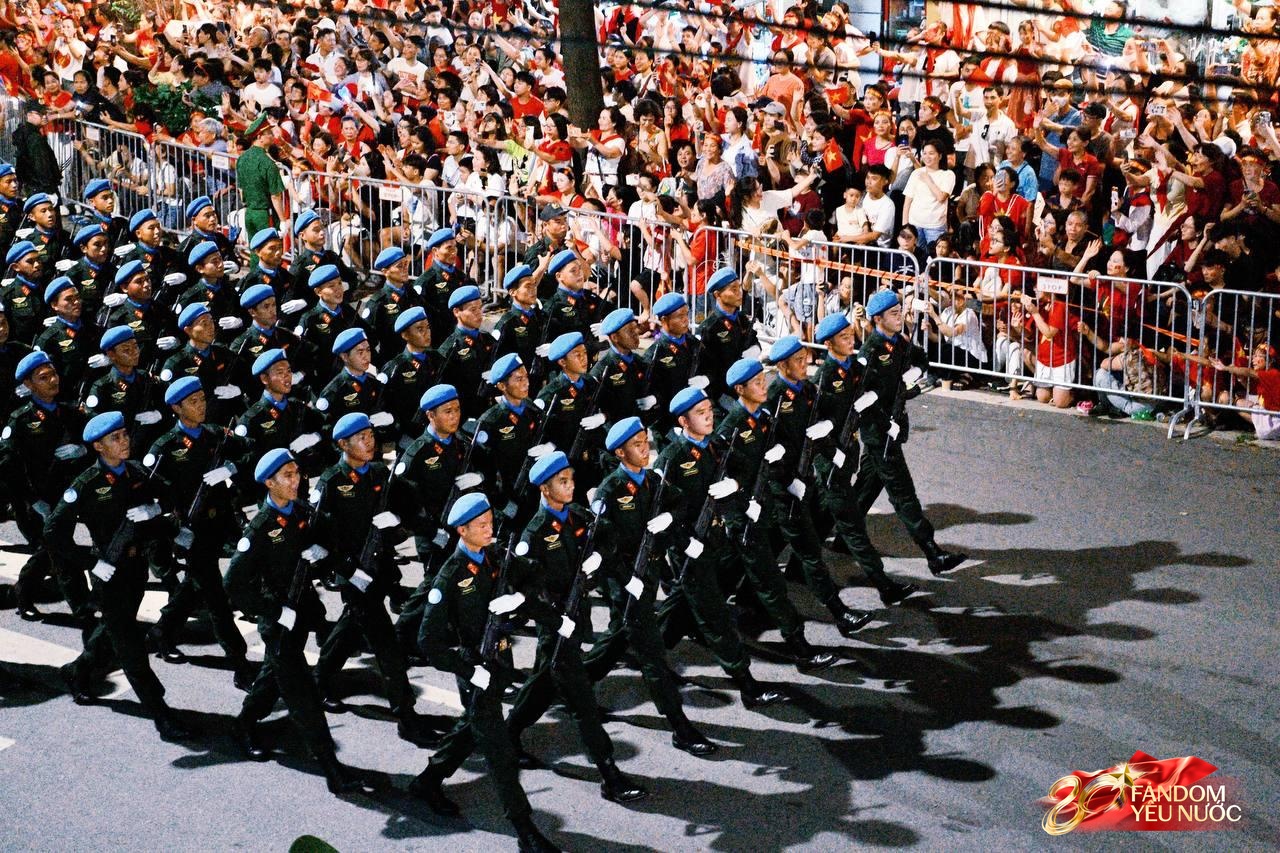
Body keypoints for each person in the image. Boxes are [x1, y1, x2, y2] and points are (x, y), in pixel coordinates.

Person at [405, 493, 560, 853]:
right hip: (475, 670)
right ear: (462, 530)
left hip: (500, 663)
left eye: (490, 521)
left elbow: (535, 572)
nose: (490, 529)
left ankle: (427, 781)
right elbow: (428, 641)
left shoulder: (496, 556)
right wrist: (468, 671)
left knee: (471, 729)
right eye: (481, 525)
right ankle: (525, 831)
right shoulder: (450, 576)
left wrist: (519, 598)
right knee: (500, 753)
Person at [45, 411, 195, 741]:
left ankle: (77, 671)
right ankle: (162, 715)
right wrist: (90, 563)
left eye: (125, 434)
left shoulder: (136, 471)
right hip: (109, 573)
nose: (124, 441)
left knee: (114, 630)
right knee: (130, 647)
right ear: (98, 446)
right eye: (115, 438)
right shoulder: (85, 485)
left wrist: (157, 509)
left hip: (136, 571)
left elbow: (172, 493)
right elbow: (53, 533)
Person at [224, 448, 365, 794]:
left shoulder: (302, 512)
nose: (296, 480)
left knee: (273, 675)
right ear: (269, 483)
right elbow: (234, 584)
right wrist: (273, 612)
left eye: (297, 473)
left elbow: (326, 540)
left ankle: (243, 723)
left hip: (301, 613)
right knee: (303, 694)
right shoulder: (259, 529)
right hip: (279, 622)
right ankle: (333, 770)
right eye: (287, 475)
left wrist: (326, 555)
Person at [310, 412, 447, 745]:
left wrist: (429, 530)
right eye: (361, 438)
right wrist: (347, 572)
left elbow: (410, 507)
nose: (369, 442)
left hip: (380, 569)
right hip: (354, 576)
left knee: (348, 630)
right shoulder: (331, 482)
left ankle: (318, 681)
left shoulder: (379, 474)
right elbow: (317, 537)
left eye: (371, 436)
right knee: (387, 647)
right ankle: (406, 717)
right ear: (343, 444)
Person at [842, 291, 969, 604]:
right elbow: (860, 399)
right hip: (879, 433)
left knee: (868, 486)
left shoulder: (898, 343)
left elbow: (921, 359)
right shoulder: (871, 351)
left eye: (900, 311)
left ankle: (845, 534)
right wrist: (884, 425)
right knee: (903, 493)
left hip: (893, 425)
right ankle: (932, 552)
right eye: (894, 313)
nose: (900, 317)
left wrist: (915, 373)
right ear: (878, 319)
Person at [143, 376, 254, 684]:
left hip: (221, 523)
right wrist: (173, 529)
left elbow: (252, 452)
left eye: (203, 399)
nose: (201, 406)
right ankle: (240, 661)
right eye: (193, 402)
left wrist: (231, 468)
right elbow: (150, 495)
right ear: (177, 408)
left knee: (196, 584)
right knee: (216, 596)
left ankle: (162, 631)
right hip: (190, 530)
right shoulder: (165, 447)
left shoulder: (216, 434)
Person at [235, 114, 288, 239]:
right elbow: (275, 196)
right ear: (259, 137)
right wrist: (283, 220)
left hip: (249, 212)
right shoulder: (268, 163)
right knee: (269, 247)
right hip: (265, 214)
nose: (272, 135)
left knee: (254, 248)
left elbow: (241, 189)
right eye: (269, 133)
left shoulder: (241, 158)